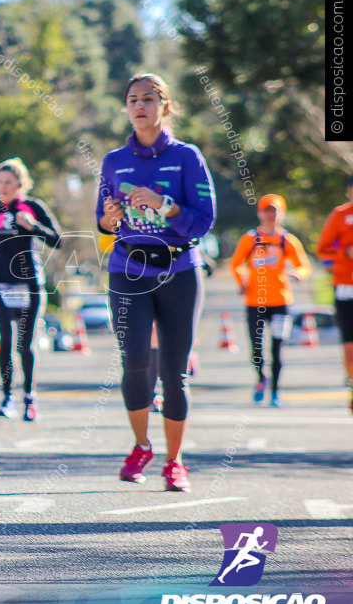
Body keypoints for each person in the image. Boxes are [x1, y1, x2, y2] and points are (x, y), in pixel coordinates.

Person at [97, 73, 216, 493]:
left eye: (149, 98)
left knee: (173, 370)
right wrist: (109, 219)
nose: (140, 105)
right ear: (126, 108)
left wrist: (165, 205)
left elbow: (204, 218)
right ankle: (141, 445)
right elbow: (103, 220)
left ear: (166, 106)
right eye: (132, 99)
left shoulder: (187, 157)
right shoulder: (113, 161)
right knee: (133, 361)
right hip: (128, 270)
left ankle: (175, 461)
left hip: (180, 271)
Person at [0, 158, 61, 421]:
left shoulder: (34, 207)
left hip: (29, 283)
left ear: (20, 184)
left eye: (8, 182)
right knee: (5, 340)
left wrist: (33, 227)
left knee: (24, 344)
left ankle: (30, 396)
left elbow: (57, 240)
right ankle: (7, 398)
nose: (2, 187)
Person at [229, 194, 311, 407]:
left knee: (277, 348)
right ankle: (261, 379)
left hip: (281, 303)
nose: (270, 215)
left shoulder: (287, 240)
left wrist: (298, 274)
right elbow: (235, 263)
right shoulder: (250, 239)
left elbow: (303, 265)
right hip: (255, 302)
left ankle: (275, 392)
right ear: (260, 213)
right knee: (256, 349)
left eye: (274, 211)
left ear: (281, 214)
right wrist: (241, 281)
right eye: (267, 211)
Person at [315, 176, 353, 415]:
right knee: (350, 345)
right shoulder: (340, 215)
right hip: (346, 288)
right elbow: (323, 249)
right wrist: (345, 252)